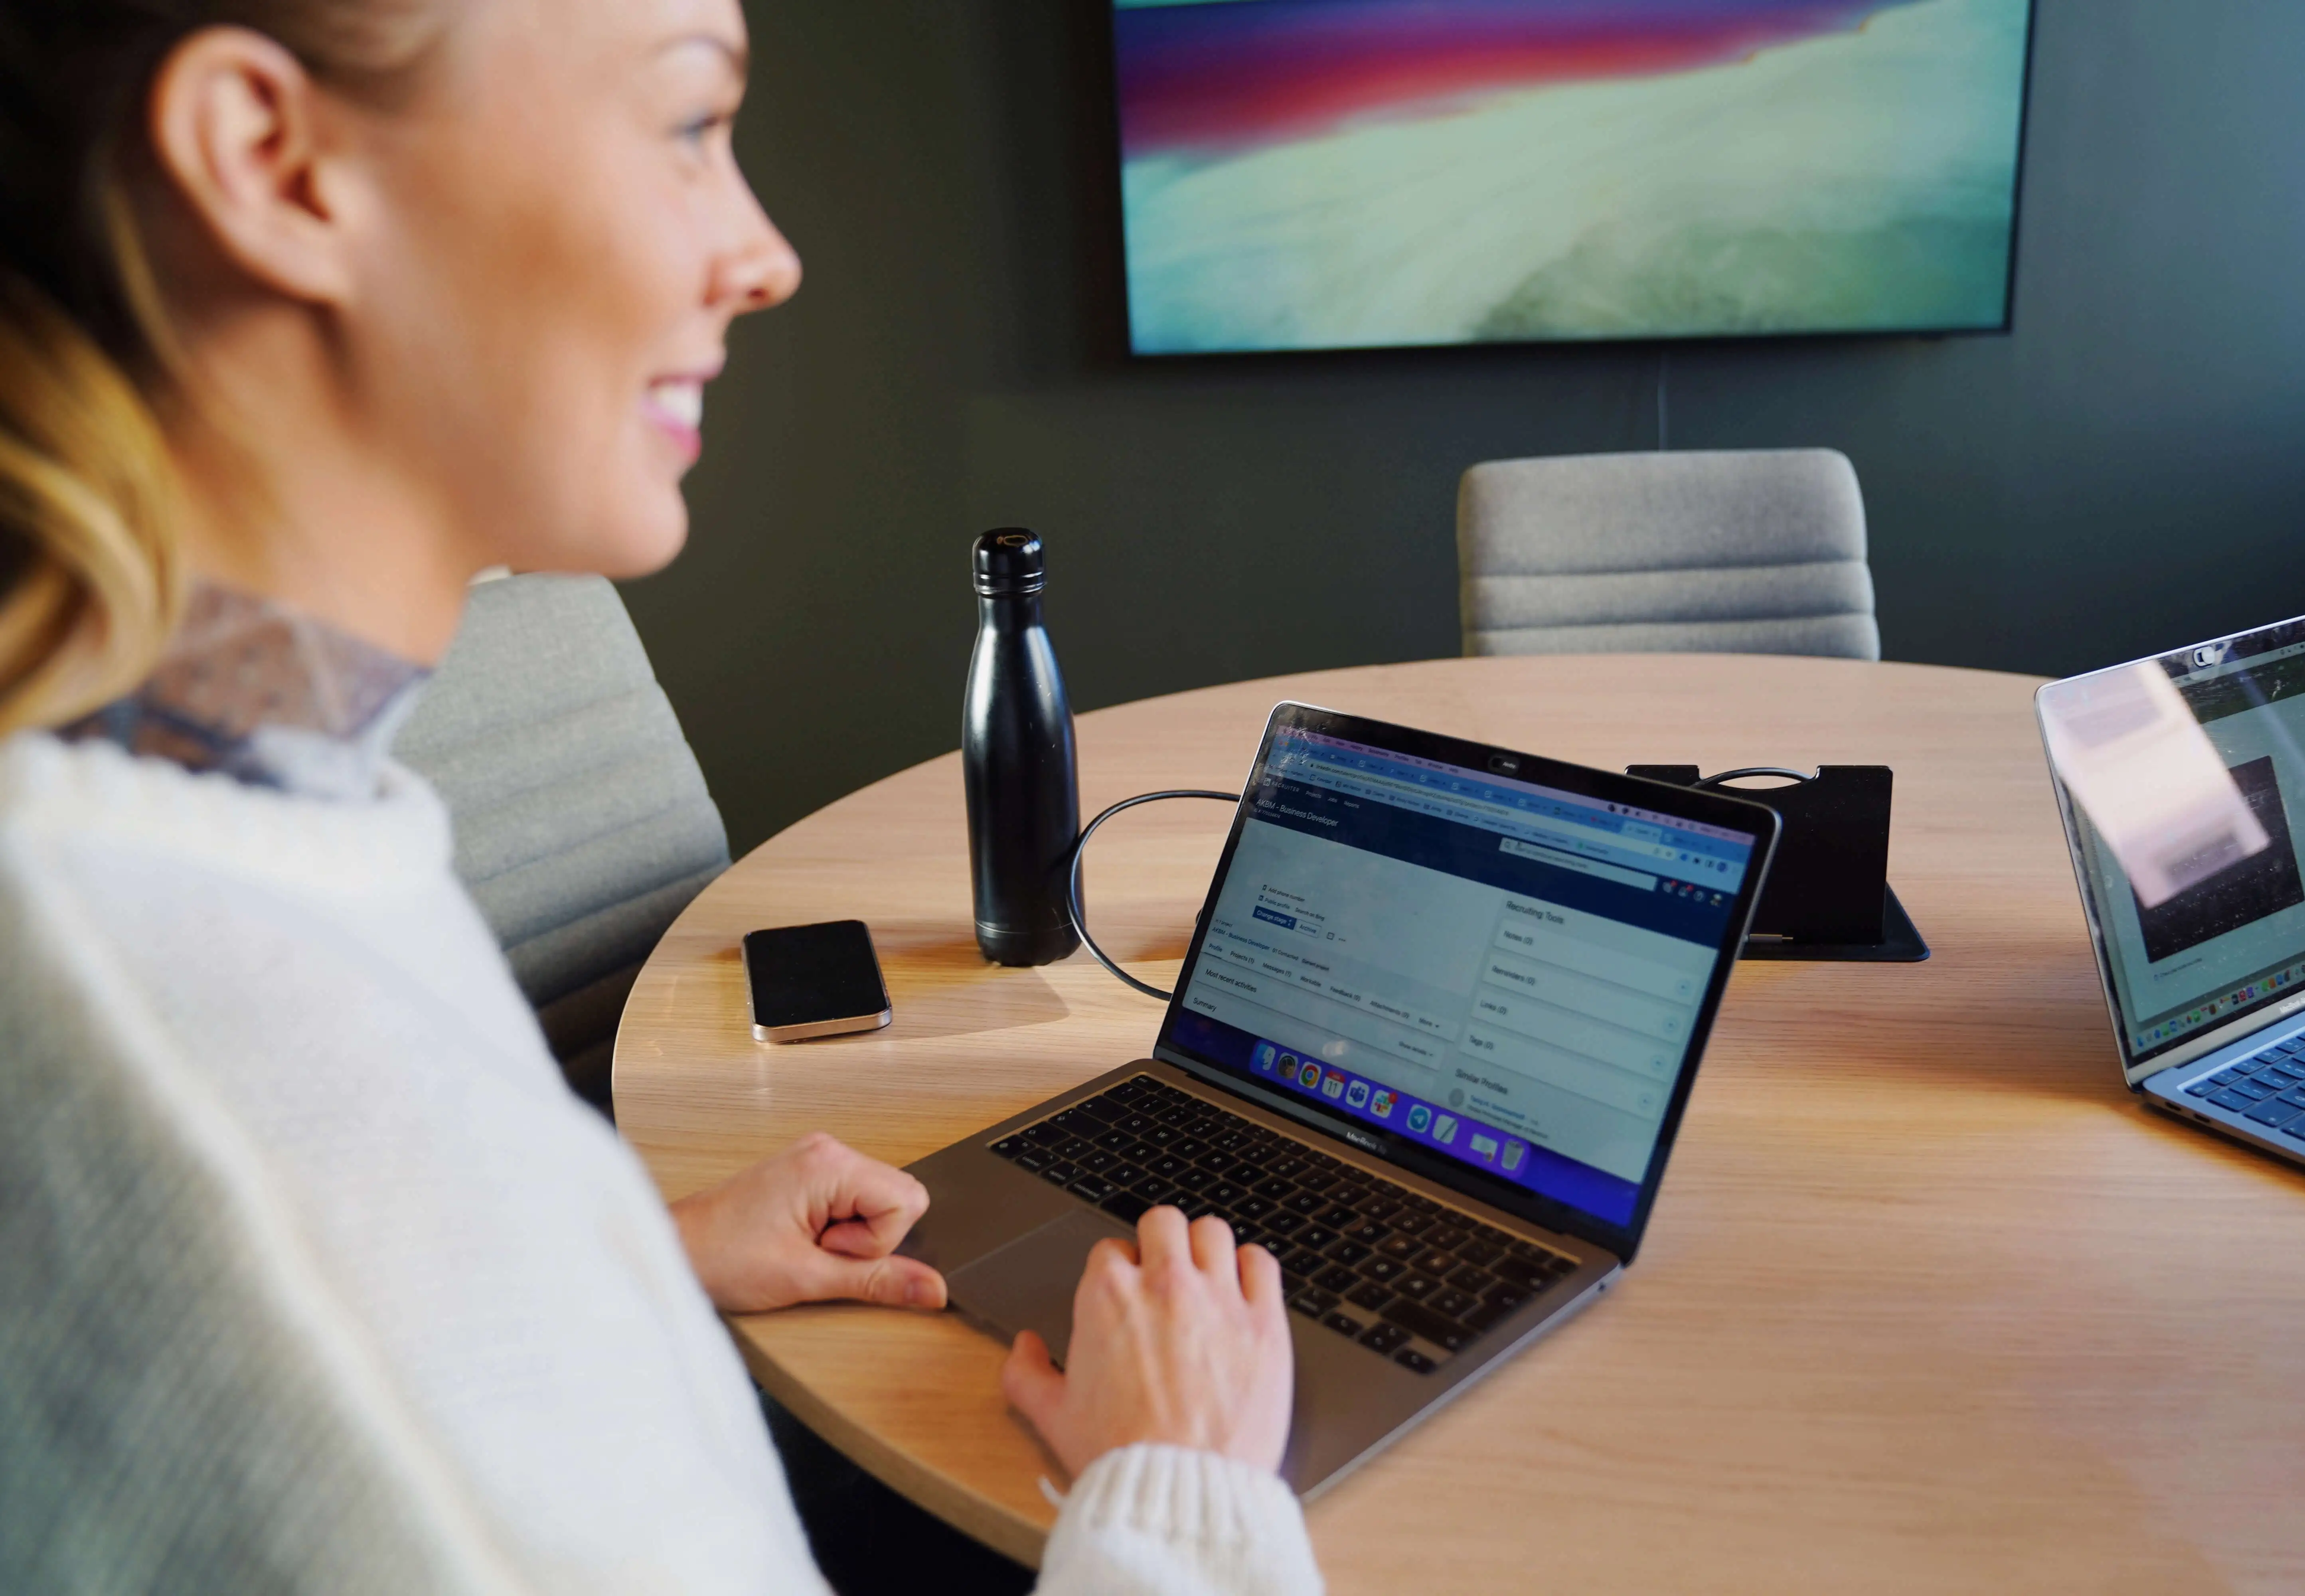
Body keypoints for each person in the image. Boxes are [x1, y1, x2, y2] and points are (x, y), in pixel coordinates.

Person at [0, 2, 1320, 1591]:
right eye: (691, 124)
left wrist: (621, 1244)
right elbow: (330, 1316)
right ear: (274, 163)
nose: (767, 254)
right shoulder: (211, 1098)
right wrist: (1178, 1501)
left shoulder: (207, 801)